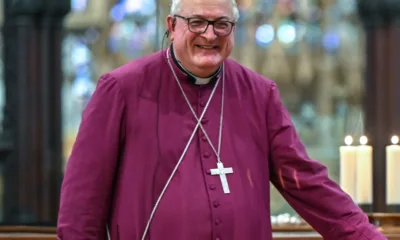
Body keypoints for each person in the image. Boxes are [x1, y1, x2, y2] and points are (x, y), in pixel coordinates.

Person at [56, 0, 387, 239]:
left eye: (221, 24)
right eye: (197, 22)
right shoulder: (121, 89)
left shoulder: (259, 93)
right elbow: (80, 209)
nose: (210, 35)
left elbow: (305, 180)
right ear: (172, 26)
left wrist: (365, 236)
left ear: (234, 29)